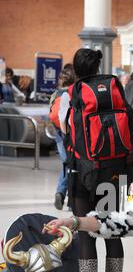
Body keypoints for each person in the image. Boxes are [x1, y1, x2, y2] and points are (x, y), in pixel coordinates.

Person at [58, 48, 133, 272]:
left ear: (77, 70)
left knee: (85, 233)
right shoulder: (114, 89)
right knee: (112, 231)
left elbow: (63, 128)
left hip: (84, 171)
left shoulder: (71, 94)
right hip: (116, 168)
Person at [50, 64, 76, 210]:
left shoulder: (55, 94)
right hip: (72, 132)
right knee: (74, 164)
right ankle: (72, 200)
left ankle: (60, 192)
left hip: (59, 132)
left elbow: (51, 113)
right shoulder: (74, 93)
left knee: (66, 163)